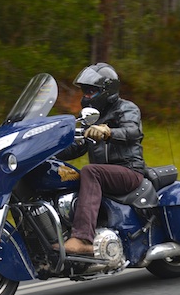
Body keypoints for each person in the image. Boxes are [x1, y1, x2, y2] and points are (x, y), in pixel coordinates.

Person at [56, 62, 145, 254]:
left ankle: (82, 238)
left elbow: (133, 131)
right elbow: (76, 148)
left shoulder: (126, 108)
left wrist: (108, 131)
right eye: (85, 92)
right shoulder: (91, 117)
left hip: (129, 171)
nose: (86, 96)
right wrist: (47, 151)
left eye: (91, 92)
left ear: (107, 90)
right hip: (104, 175)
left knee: (90, 171)